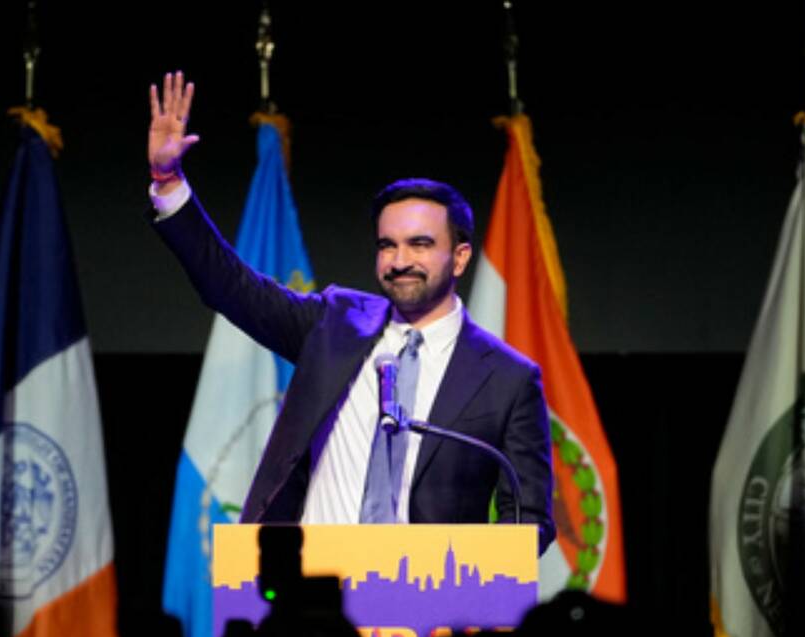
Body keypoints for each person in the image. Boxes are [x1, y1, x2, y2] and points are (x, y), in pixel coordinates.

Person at [148, 71, 554, 550]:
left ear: (460, 256)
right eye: (388, 245)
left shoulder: (508, 378)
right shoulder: (333, 324)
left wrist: (470, 575)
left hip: (429, 604)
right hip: (312, 597)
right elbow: (231, 287)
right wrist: (170, 182)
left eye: (420, 244)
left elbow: (529, 521)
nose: (400, 261)